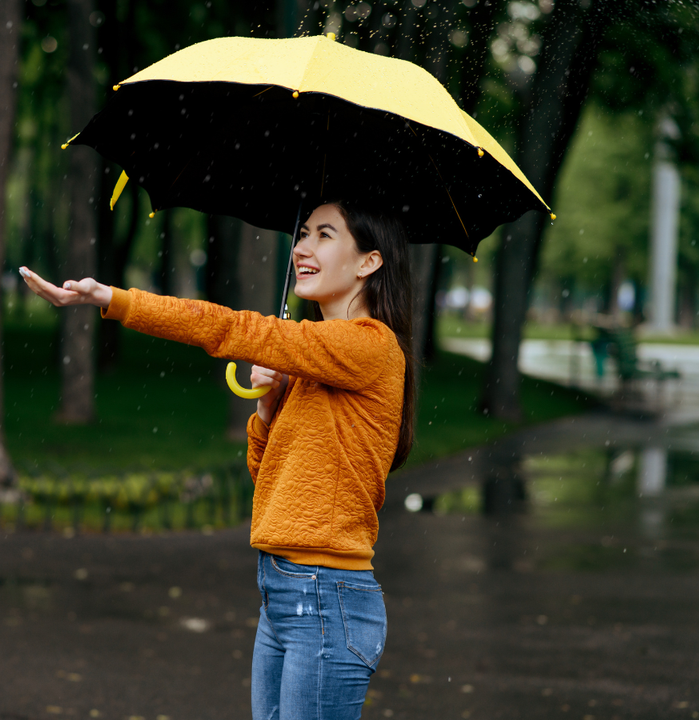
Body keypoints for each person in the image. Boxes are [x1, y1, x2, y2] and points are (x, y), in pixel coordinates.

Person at [20, 200, 415, 720]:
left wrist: (115, 300)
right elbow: (268, 477)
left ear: (369, 262)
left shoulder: (371, 347)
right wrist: (269, 409)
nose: (301, 248)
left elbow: (230, 328)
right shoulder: (314, 358)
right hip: (286, 591)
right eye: (302, 234)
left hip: (325, 596)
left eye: (324, 235)